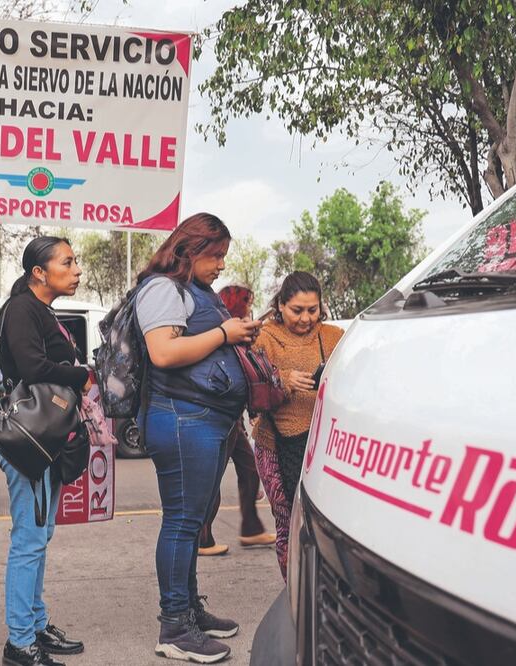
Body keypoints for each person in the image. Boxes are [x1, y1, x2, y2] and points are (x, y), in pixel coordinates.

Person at [134, 213, 262, 664]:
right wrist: (225, 332)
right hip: (181, 419)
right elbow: (164, 351)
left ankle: (188, 611)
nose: (221, 265)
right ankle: (174, 627)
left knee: (192, 521)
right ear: (189, 250)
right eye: (216, 255)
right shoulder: (161, 289)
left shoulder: (194, 292)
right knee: (183, 523)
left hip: (203, 419)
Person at [0, 236, 88, 666]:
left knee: (39, 535)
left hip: (44, 439)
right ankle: (19, 642)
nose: (76, 270)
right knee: (29, 540)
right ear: (39, 272)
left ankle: (34, 623)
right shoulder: (21, 310)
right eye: (67, 262)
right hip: (28, 442)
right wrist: (80, 373)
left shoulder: (39, 310)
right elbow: (33, 368)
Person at [251, 271, 343, 579]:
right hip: (276, 446)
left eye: (312, 310)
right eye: (297, 310)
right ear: (280, 305)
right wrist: (282, 380)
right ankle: (294, 595)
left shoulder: (332, 337)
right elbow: (252, 396)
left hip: (325, 446)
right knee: (288, 522)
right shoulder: (264, 339)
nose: (306, 318)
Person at [198, 285, 274, 556]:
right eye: (248, 302)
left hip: (234, 418)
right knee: (212, 479)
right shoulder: (224, 331)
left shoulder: (233, 329)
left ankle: (251, 528)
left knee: (250, 470)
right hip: (223, 416)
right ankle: (202, 538)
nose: (251, 306)